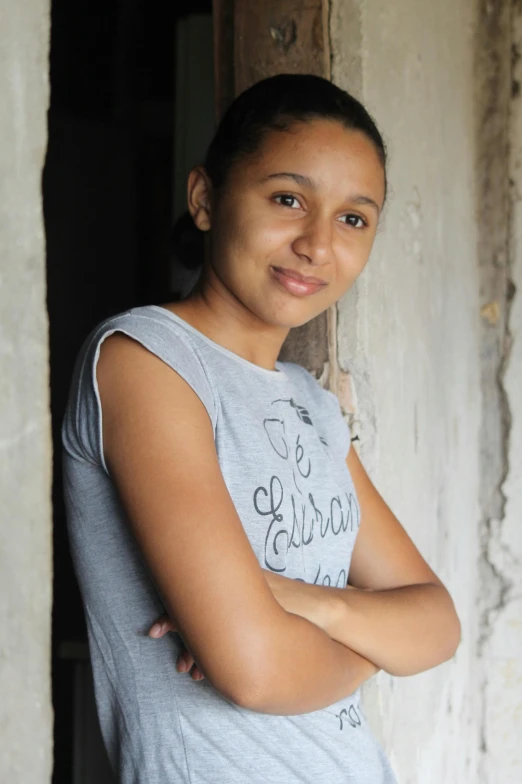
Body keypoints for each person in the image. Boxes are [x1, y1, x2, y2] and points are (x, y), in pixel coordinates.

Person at [61, 73, 461, 784]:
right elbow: (255, 671)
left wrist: (306, 604)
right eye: (287, 199)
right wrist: (377, 641)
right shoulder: (147, 362)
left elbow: (437, 625)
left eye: (353, 218)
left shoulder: (312, 405)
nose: (316, 243)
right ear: (206, 199)